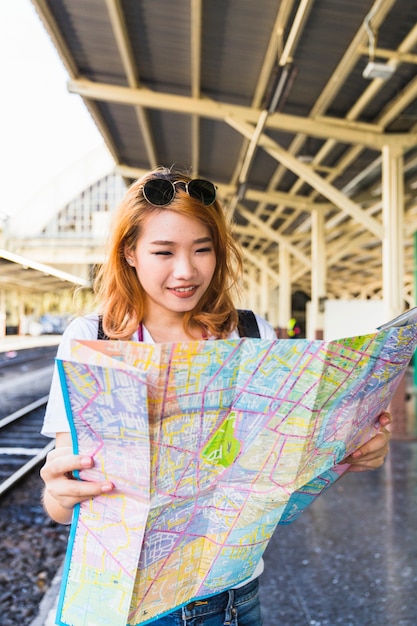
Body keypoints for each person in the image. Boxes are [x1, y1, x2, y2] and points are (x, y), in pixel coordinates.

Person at [40, 167, 392, 626]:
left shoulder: (250, 334)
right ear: (129, 252)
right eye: (163, 252)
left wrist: (347, 451)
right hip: (125, 607)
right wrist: (60, 494)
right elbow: (61, 511)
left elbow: (273, 485)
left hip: (233, 601)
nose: (186, 271)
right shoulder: (92, 340)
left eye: (202, 249)